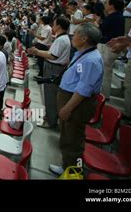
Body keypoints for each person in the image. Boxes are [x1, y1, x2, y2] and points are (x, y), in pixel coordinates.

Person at [49, 23, 104, 176]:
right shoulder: (82, 53)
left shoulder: (91, 60)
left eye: (77, 33)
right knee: (67, 135)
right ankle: (67, 167)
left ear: (85, 38)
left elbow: (84, 89)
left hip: (76, 104)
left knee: (73, 139)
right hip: (69, 98)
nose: (73, 36)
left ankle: (73, 173)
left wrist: (68, 107)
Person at [28, 16, 71, 128]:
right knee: (50, 94)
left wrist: (36, 51)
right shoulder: (62, 38)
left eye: (54, 24)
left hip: (53, 68)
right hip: (56, 67)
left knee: (50, 95)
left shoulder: (61, 39)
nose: (53, 26)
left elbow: (52, 56)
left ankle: (50, 121)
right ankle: (50, 117)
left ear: (59, 26)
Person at [97, 0, 125, 99]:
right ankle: (103, 94)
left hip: (108, 46)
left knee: (105, 72)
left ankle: (104, 95)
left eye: (106, 3)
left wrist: (97, 23)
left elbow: (101, 30)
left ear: (112, 6)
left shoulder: (115, 17)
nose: (105, 5)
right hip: (107, 46)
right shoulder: (114, 16)